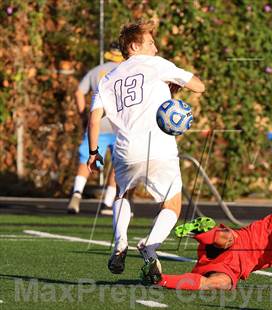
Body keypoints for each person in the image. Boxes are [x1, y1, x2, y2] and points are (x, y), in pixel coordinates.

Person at [86, 20, 205, 277]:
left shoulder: (108, 80)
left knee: (122, 194)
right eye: (151, 43)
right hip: (160, 146)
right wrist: (177, 84)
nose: (156, 48)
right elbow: (199, 85)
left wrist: (93, 153)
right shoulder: (157, 65)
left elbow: (94, 118)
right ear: (134, 46)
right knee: (172, 205)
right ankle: (150, 247)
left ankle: (120, 242)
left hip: (125, 149)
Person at [155, 199, 272, 293]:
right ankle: (201, 232)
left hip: (237, 267)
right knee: (228, 238)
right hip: (240, 242)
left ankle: (159, 279)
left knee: (222, 284)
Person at [67, 43, 124, 215]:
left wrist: (83, 114)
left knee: (88, 159)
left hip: (97, 123)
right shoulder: (126, 70)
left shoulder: (96, 70)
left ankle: (77, 194)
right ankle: (107, 203)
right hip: (119, 125)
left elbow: (79, 92)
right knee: (118, 164)